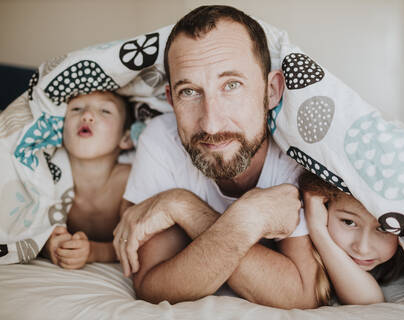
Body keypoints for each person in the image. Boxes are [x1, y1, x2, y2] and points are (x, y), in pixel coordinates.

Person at [113, 5, 324, 309]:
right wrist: (243, 218)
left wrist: (188, 213)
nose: (211, 124)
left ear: (272, 91)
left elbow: (304, 294)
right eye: (189, 92)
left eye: (232, 85)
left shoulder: (295, 152)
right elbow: (151, 286)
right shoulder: (162, 141)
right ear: (171, 99)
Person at [42, 90, 134, 269]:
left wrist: (93, 251)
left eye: (105, 111)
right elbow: (27, 230)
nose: (87, 115)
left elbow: (138, 244)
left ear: (126, 138)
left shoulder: (129, 182)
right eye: (76, 109)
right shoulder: (45, 179)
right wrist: (48, 246)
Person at [299, 170, 404, 305]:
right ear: (323, 209)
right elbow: (367, 300)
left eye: (384, 228)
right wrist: (316, 228)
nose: (362, 249)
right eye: (349, 222)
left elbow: (368, 301)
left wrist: (318, 229)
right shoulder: (301, 248)